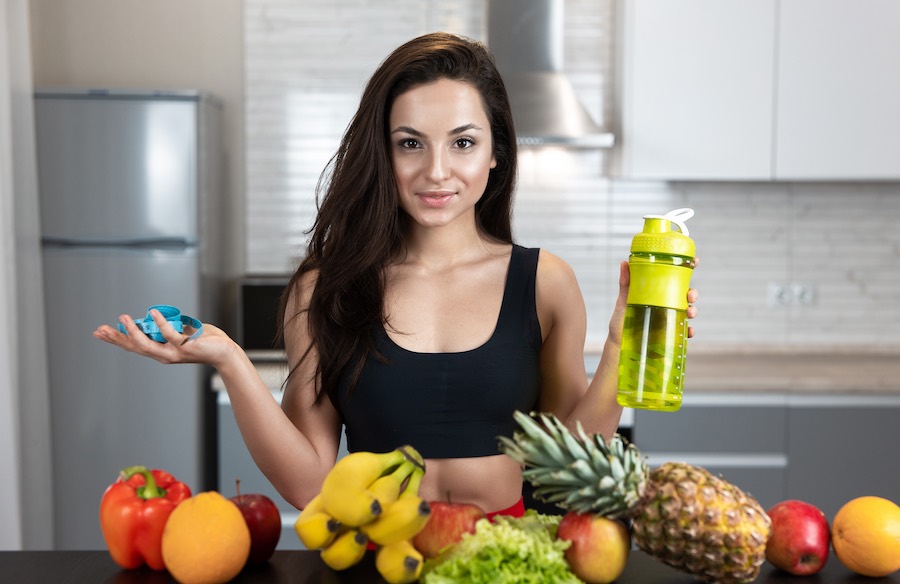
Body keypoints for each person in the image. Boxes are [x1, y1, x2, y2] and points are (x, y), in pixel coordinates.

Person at [94, 32, 698, 518]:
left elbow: (569, 467)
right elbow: (309, 486)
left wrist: (624, 346)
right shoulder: (323, 289)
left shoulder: (545, 282)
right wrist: (230, 359)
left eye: (463, 142)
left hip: (507, 556)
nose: (437, 171)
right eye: (411, 143)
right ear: (382, 153)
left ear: (496, 153)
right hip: (374, 558)